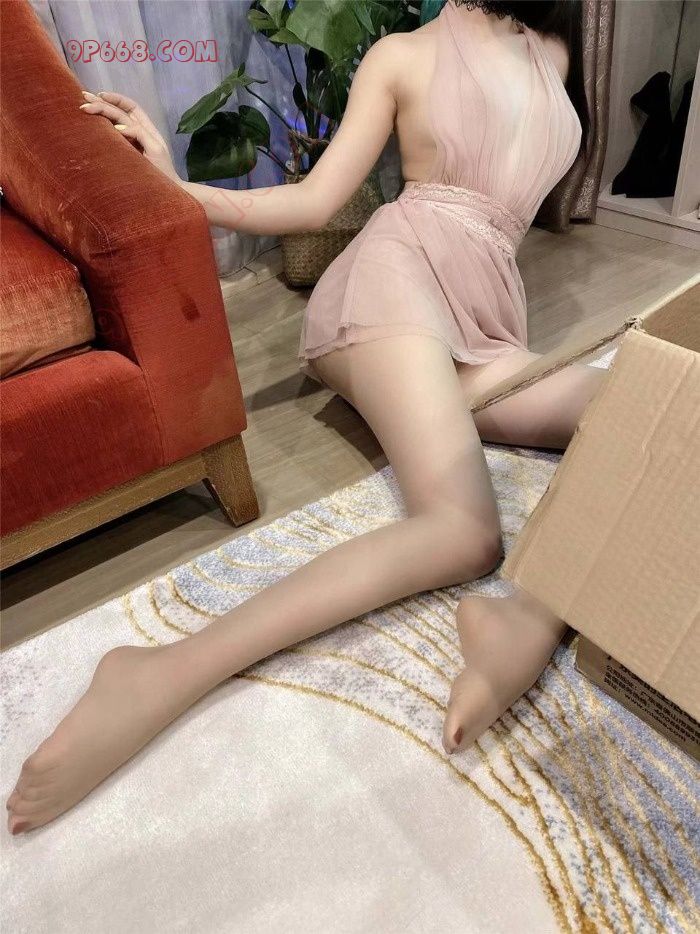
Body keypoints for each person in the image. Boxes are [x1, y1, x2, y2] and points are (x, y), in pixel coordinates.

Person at [6, 0, 606, 835]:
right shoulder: (406, 53)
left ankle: (533, 611)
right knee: (463, 531)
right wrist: (174, 189)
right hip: (395, 283)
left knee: (631, 410)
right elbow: (317, 203)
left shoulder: (558, 54)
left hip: (486, 319)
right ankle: (161, 670)